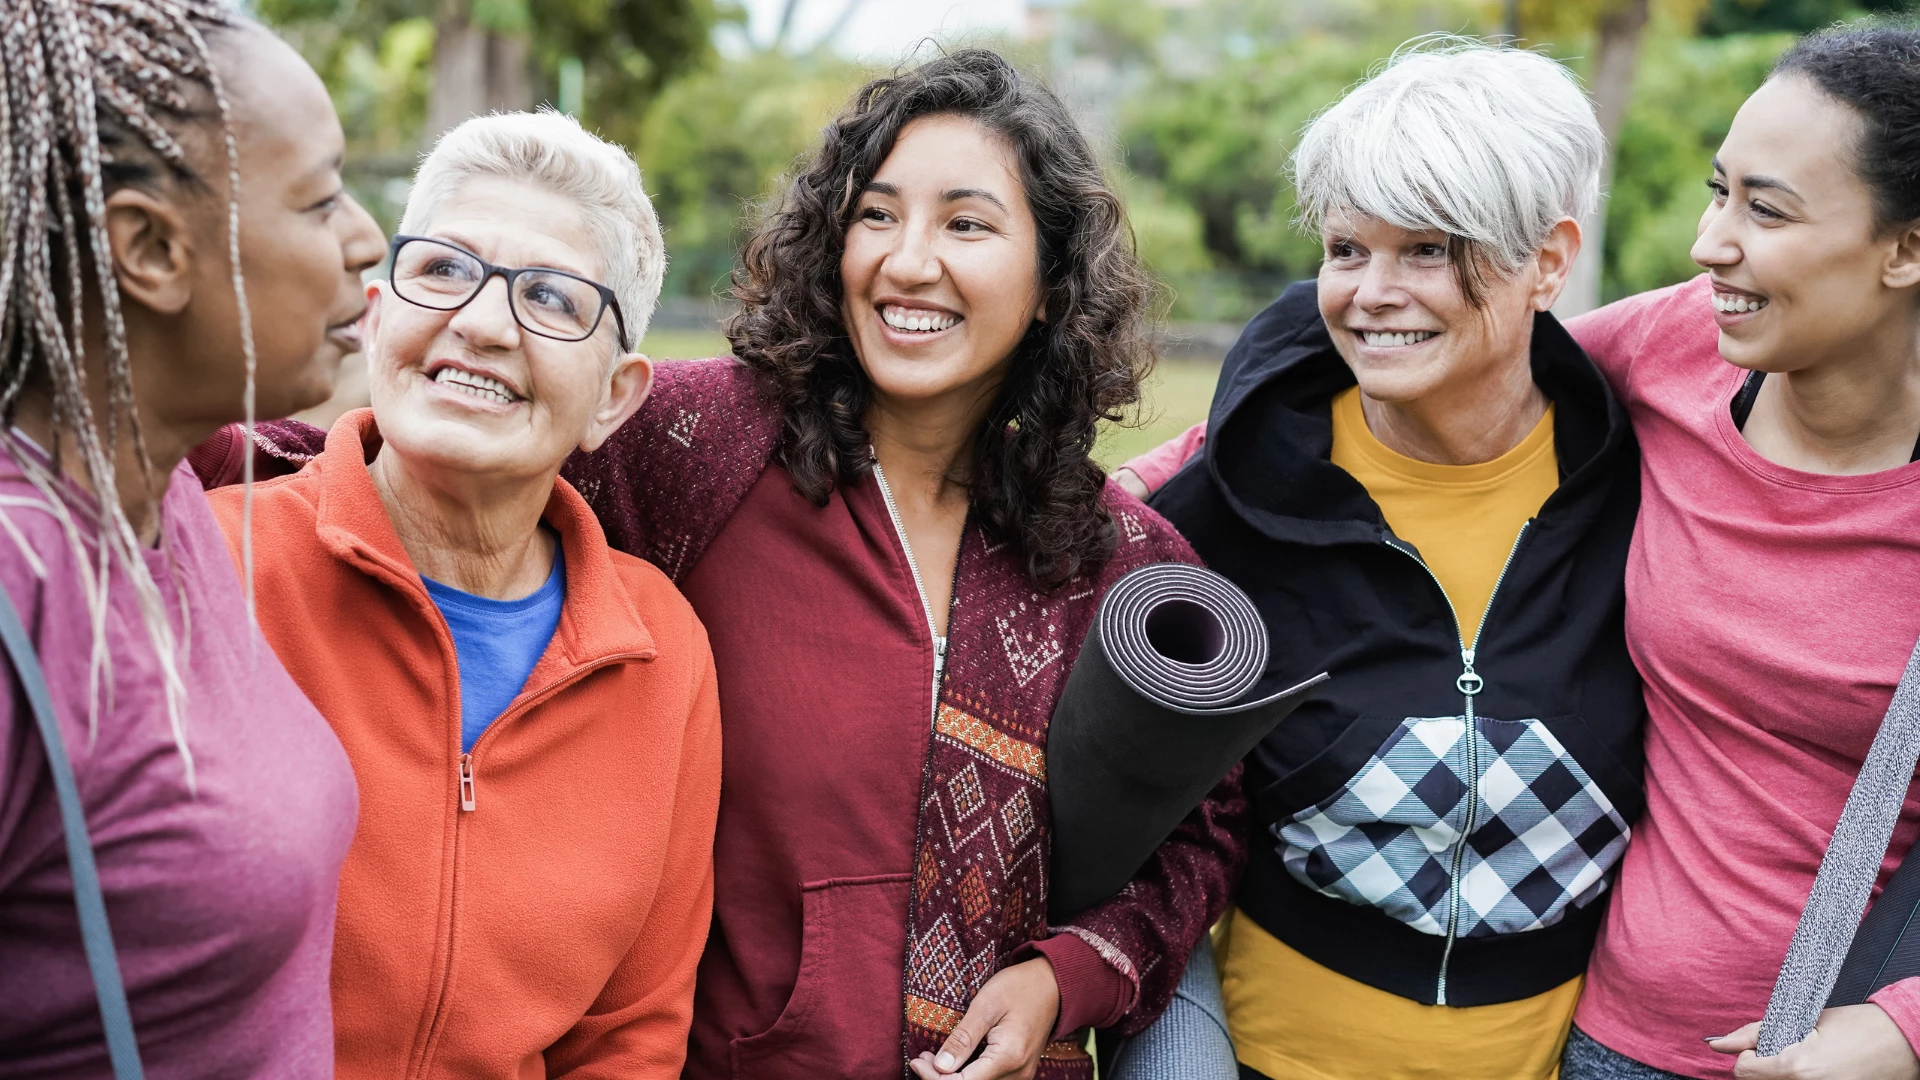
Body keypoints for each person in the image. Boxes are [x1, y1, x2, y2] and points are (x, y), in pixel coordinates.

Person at [213, 48, 1242, 1080]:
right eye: (876, 215)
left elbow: (1206, 829)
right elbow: (457, 452)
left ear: (1054, 285)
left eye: (965, 224)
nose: (908, 260)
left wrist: (1066, 977)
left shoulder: (1105, 559)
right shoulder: (704, 442)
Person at [1112, 38, 1645, 1080]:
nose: (1373, 292)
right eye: (1349, 249)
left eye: (1431, 250)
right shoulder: (1220, 509)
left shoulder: (1648, 490)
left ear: (1548, 259)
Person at [192, 111, 723, 1079]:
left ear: (616, 395)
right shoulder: (209, 570)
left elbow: (631, 1035)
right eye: (441, 270)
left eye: (552, 298)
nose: (479, 322)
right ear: (377, 313)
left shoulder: (663, 649)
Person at [0, 2, 385, 1075]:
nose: (367, 239)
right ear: (150, 250)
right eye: (319, 200)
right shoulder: (21, 580)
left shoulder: (160, 495)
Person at [1553, 24, 1920, 1080]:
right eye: (1721, 193)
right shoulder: (1676, 348)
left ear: (1905, 249)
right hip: (1608, 1044)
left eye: (1766, 210)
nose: (1711, 241)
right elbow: (1462, 369)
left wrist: (1899, 1030)